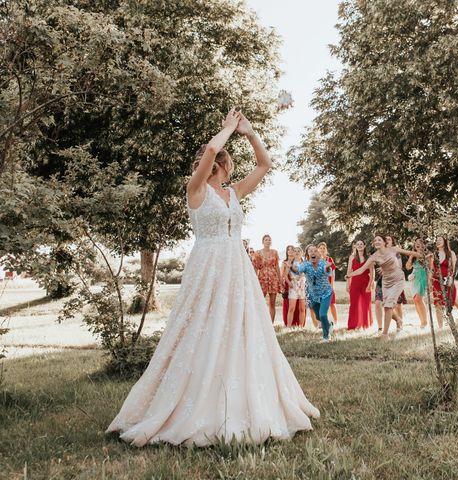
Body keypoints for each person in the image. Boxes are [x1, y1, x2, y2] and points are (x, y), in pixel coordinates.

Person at [107, 108, 319, 446]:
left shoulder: (233, 193)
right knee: (201, 327)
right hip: (207, 267)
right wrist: (226, 130)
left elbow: (264, 165)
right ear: (223, 163)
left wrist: (249, 133)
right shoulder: (196, 190)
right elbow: (208, 152)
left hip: (237, 269)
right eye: (227, 160)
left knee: (241, 328)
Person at [347, 235, 421, 338]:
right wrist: (349, 275)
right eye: (375, 240)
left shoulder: (393, 249)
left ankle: (384, 334)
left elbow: (409, 252)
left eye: (379, 240)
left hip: (398, 279)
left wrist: (424, 255)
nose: (377, 241)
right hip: (386, 282)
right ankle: (399, 320)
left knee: (389, 304)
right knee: (386, 305)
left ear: (384, 242)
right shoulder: (374, 256)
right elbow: (362, 269)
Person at [288, 245, 334, 342]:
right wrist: (291, 267)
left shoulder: (323, 263)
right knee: (318, 316)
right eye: (310, 251)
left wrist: (327, 268)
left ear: (318, 253)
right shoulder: (305, 265)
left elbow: (327, 271)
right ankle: (329, 325)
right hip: (313, 295)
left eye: (315, 251)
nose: (313, 252)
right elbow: (298, 272)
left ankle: (326, 336)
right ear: (307, 254)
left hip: (326, 293)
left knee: (322, 314)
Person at [430, 236, 458, 328]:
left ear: (445, 242)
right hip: (437, 282)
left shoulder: (450, 253)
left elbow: (455, 269)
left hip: (448, 281)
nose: (437, 241)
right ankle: (440, 327)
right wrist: (430, 282)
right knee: (438, 304)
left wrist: (451, 278)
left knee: (456, 302)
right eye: (436, 240)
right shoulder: (434, 254)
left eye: (440, 240)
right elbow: (432, 270)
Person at [253, 234, 282, 322]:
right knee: (260, 302)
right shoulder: (257, 253)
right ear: (263, 242)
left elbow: (277, 266)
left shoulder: (275, 252)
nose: (268, 241)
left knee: (272, 303)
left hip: (273, 278)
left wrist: (280, 279)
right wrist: (254, 279)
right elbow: (255, 267)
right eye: (266, 240)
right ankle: (260, 322)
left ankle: (271, 325)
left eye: (269, 240)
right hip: (262, 278)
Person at [346, 240, 374, 330]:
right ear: (355, 246)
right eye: (357, 244)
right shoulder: (352, 257)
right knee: (354, 304)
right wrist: (347, 284)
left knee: (366, 304)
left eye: (361, 244)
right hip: (355, 283)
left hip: (366, 283)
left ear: (364, 246)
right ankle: (352, 326)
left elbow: (372, 273)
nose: (359, 245)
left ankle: (365, 325)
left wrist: (370, 284)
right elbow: (349, 271)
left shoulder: (369, 257)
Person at [406, 239, 429, 329]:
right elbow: (408, 267)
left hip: (423, 277)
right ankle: (421, 321)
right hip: (415, 278)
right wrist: (411, 256)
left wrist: (429, 281)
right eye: (416, 244)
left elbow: (430, 267)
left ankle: (425, 322)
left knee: (419, 298)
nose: (417, 245)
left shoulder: (426, 254)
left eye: (419, 243)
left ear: (423, 245)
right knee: (415, 300)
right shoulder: (414, 255)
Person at [282, 246, 306, 327]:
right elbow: (285, 275)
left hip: (302, 288)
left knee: (302, 309)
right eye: (295, 251)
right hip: (293, 287)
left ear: (302, 253)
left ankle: (301, 327)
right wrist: (289, 283)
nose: (297, 252)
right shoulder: (290, 263)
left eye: (299, 251)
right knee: (291, 308)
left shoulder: (305, 263)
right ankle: (288, 326)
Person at [385, 235, 407, 322]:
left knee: (398, 304)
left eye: (389, 239)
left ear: (392, 242)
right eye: (385, 239)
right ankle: (398, 320)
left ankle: (400, 325)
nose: (387, 241)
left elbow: (400, 265)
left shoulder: (396, 252)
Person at [317, 242, 338, 325]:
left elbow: (333, 274)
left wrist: (332, 285)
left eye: (323, 248)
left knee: (332, 304)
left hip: (328, 285)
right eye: (320, 248)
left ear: (326, 249)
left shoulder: (329, 259)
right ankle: (321, 322)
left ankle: (336, 321)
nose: (322, 249)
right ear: (317, 249)